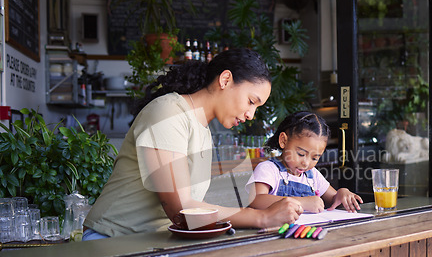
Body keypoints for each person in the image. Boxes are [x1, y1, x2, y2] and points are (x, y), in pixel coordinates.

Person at [83, 48, 303, 240]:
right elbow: (182, 210)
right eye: (251, 101)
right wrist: (261, 217)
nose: (251, 115)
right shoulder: (168, 112)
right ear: (225, 80)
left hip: (154, 242)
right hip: (111, 240)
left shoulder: (203, 129)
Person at [246, 111, 363, 214]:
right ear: (283, 141)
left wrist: (342, 194)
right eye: (301, 154)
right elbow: (256, 200)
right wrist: (301, 203)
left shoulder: (312, 175)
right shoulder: (269, 169)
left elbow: (333, 199)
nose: (306, 163)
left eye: (315, 158)